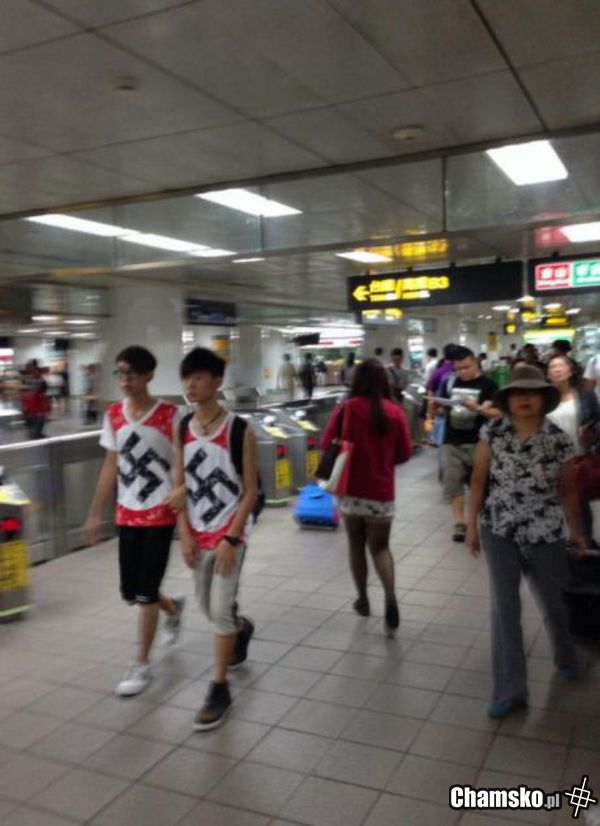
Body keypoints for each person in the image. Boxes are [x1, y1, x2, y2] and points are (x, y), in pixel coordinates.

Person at [467, 365, 585, 719]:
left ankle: (566, 656)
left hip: (546, 533)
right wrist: (471, 526)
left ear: (543, 399)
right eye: (517, 393)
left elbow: (568, 489)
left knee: (555, 602)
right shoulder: (493, 432)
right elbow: (478, 481)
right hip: (500, 531)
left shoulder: (558, 439)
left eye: (531, 393)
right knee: (505, 609)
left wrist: (577, 531)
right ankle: (510, 689)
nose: (524, 399)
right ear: (507, 400)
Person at [84, 346, 185, 697]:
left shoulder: (170, 415)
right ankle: (173, 608)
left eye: (131, 374)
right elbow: (110, 466)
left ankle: (142, 663)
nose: (124, 381)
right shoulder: (113, 415)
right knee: (133, 590)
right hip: (127, 513)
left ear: (148, 375)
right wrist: (95, 513)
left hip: (160, 514)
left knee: (145, 592)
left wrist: (182, 503)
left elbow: (181, 464)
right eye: (120, 374)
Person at [174, 347, 258, 730]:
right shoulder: (183, 428)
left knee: (219, 612)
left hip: (229, 535)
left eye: (198, 377)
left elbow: (251, 491)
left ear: (217, 382)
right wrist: (184, 535)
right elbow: (180, 486)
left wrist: (231, 539)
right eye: (186, 378)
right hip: (197, 534)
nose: (190, 385)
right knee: (208, 608)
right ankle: (241, 630)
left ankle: (219, 688)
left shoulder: (239, 429)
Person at [321, 359, 412, 634]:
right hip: (381, 492)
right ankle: (391, 597)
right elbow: (404, 454)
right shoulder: (395, 412)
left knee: (356, 543)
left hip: (350, 489)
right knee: (380, 548)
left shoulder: (347, 408)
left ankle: (362, 599)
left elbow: (326, 443)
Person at [438, 347, 501, 542]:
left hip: (479, 442)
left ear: (475, 363)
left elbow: (499, 413)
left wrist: (480, 408)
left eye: (466, 367)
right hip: (451, 441)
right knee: (453, 482)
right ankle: (459, 523)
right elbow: (441, 407)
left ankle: (483, 520)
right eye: (458, 368)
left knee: (480, 483)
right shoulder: (449, 382)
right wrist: (437, 406)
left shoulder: (489, 385)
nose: (462, 372)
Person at [21, 360, 49, 440]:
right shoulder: (31, 380)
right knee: (35, 425)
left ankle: (38, 435)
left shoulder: (38, 380)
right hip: (33, 407)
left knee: (36, 426)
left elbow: (42, 391)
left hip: (36, 407)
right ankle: (37, 436)